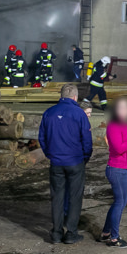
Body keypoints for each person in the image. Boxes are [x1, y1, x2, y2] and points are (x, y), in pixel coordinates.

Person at [39, 84, 93, 244]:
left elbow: (42, 138)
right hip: (75, 161)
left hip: (56, 162)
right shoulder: (79, 114)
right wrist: (84, 158)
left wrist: (51, 155)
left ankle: (56, 233)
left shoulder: (49, 113)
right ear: (75, 97)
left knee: (57, 197)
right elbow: (87, 141)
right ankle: (71, 233)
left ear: (60, 96)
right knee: (75, 197)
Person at [99, 97, 127, 248]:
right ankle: (114, 238)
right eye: (121, 108)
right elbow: (119, 148)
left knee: (120, 203)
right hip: (117, 169)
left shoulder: (125, 123)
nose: (125, 111)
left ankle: (106, 233)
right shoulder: (113, 126)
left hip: (125, 168)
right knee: (119, 203)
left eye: (126, 108)